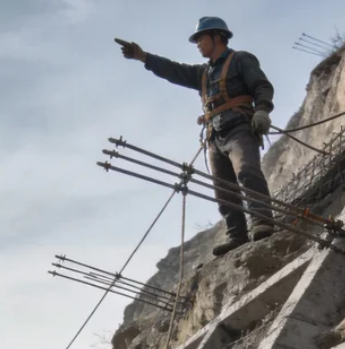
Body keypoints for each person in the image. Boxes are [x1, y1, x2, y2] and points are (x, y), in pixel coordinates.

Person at [117, 17, 277, 256]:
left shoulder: (241, 59)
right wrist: (143, 57)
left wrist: (262, 110)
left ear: (217, 37)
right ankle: (237, 235)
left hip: (239, 128)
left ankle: (262, 221)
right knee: (222, 189)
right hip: (214, 136)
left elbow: (262, 86)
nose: (197, 44)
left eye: (200, 38)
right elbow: (174, 70)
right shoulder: (202, 74)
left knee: (246, 171)